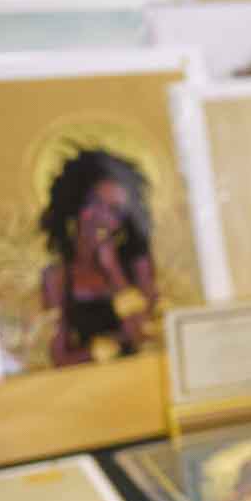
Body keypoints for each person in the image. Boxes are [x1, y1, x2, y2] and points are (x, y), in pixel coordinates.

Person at [37, 145, 159, 366]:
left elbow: (145, 333)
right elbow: (59, 358)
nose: (101, 218)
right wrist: (108, 349)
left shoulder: (138, 267)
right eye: (94, 203)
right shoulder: (56, 277)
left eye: (114, 210)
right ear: (75, 205)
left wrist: (113, 269)